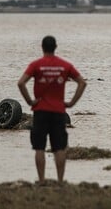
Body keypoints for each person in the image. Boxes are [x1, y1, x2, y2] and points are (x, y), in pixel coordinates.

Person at [17, 35, 87, 183]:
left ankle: (41, 181)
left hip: (40, 111)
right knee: (59, 148)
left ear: (42, 48)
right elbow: (82, 82)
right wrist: (72, 102)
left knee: (39, 148)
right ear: (55, 47)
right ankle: (60, 181)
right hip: (58, 111)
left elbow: (21, 83)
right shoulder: (65, 65)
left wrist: (30, 101)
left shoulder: (36, 65)